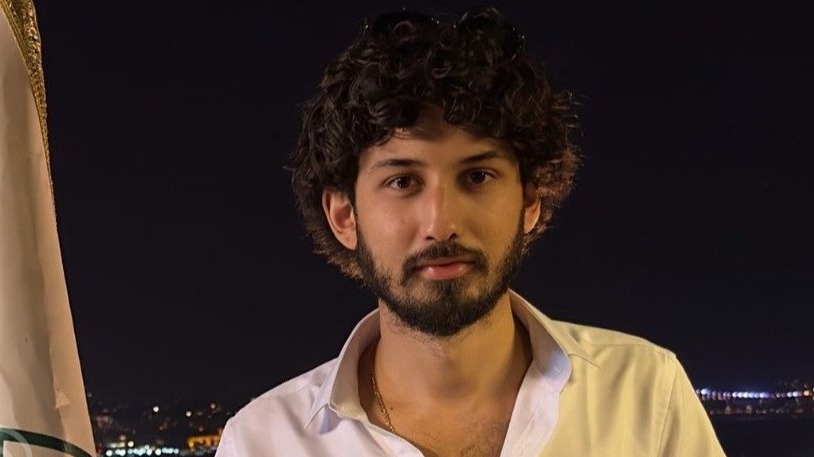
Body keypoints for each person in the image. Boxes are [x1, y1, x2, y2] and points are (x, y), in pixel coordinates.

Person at [215, 6, 726, 457]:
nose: (442, 224)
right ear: (345, 216)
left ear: (530, 199)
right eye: (402, 181)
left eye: (477, 176)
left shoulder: (645, 397)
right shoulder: (263, 442)